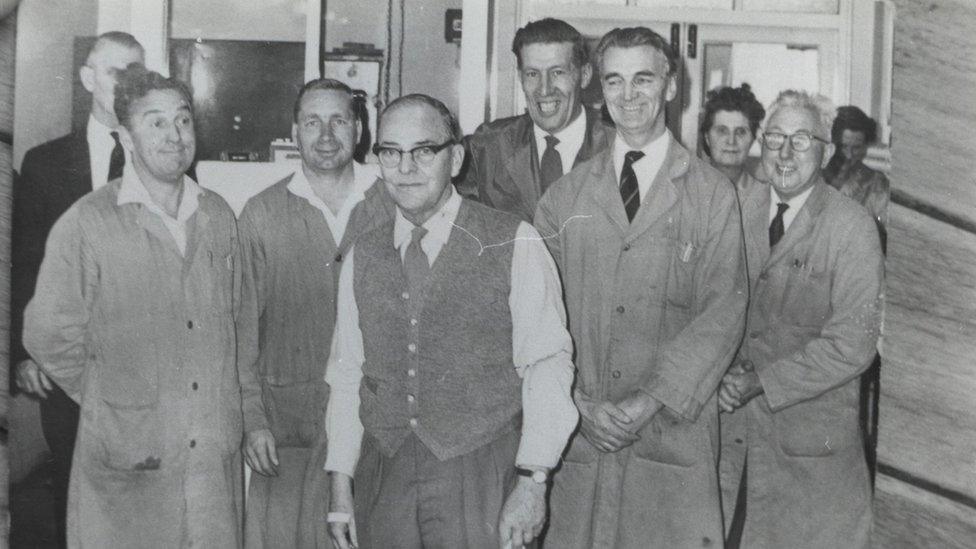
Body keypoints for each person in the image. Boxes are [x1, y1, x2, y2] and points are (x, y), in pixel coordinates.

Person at [324, 94, 578, 549]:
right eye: (390, 152)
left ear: (455, 157)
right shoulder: (362, 254)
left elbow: (548, 364)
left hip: (481, 473)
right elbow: (348, 376)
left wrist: (533, 479)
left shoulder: (513, 241)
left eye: (424, 151)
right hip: (385, 474)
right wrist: (341, 482)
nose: (406, 168)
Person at [535, 27, 748, 548]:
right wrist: (578, 404)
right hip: (581, 440)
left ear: (671, 86)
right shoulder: (563, 199)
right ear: (599, 90)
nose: (628, 97)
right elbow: (535, 321)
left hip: (671, 438)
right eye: (614, 81)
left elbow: (723, 314)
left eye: (643, 79)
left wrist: (649, 401)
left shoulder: (712, 195)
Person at [23, 65, 244, 548]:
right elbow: (47, 334)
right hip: (128, 462)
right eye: (156, 121)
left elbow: (238, 321)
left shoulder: (219, 215)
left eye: (183, 120)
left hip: (209, 464)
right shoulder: (88, 222)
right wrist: (117, 400)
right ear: (125, 135)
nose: (174, 135)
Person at [717, 90, 883, 548]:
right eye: (774, 139)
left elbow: (854, 344)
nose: (785, 153)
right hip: (730, 444)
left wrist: (762, 381)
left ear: (826, 152)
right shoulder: (733, 209)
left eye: (801, 140)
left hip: (812, 459)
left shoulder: (853, 227)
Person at [236, 78, 393, 548]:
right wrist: (252, 419)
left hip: (374, 431)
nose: (326, 134)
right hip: (288, 434)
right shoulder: (261, 214)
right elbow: (242, 329)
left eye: (339, 120)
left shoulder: (391, 202)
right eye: (312, 122)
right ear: (294, 132)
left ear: (359, 128)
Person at [11, 31, 144, 548]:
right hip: (66, 365)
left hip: (139, 364)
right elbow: (24, 265)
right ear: (89, 79)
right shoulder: (43, 165)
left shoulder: (160, 159)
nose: (130, 83)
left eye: (138, 71)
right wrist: (25, 353)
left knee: (136, 497)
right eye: (117, 72)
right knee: (74, 492)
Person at [460, 17, 612, 221]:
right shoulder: (487, 146)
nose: (545, 89)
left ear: (584, 75)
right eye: (532, 74)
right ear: (520, 78)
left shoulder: (619, 148)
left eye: (557, 72)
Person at [822, 105, 889, 250]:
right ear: (830, 142)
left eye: (857, 147)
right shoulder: (813, 176)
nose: (849, 155)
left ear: (866, 146)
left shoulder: (876, 184)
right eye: (843, 146)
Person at [700, 83, 766, 191]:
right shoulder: (687, 190)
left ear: (752, 139)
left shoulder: (765, 198)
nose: (731, 141)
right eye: (722, 131)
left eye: (740, 132)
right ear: (707, 137)